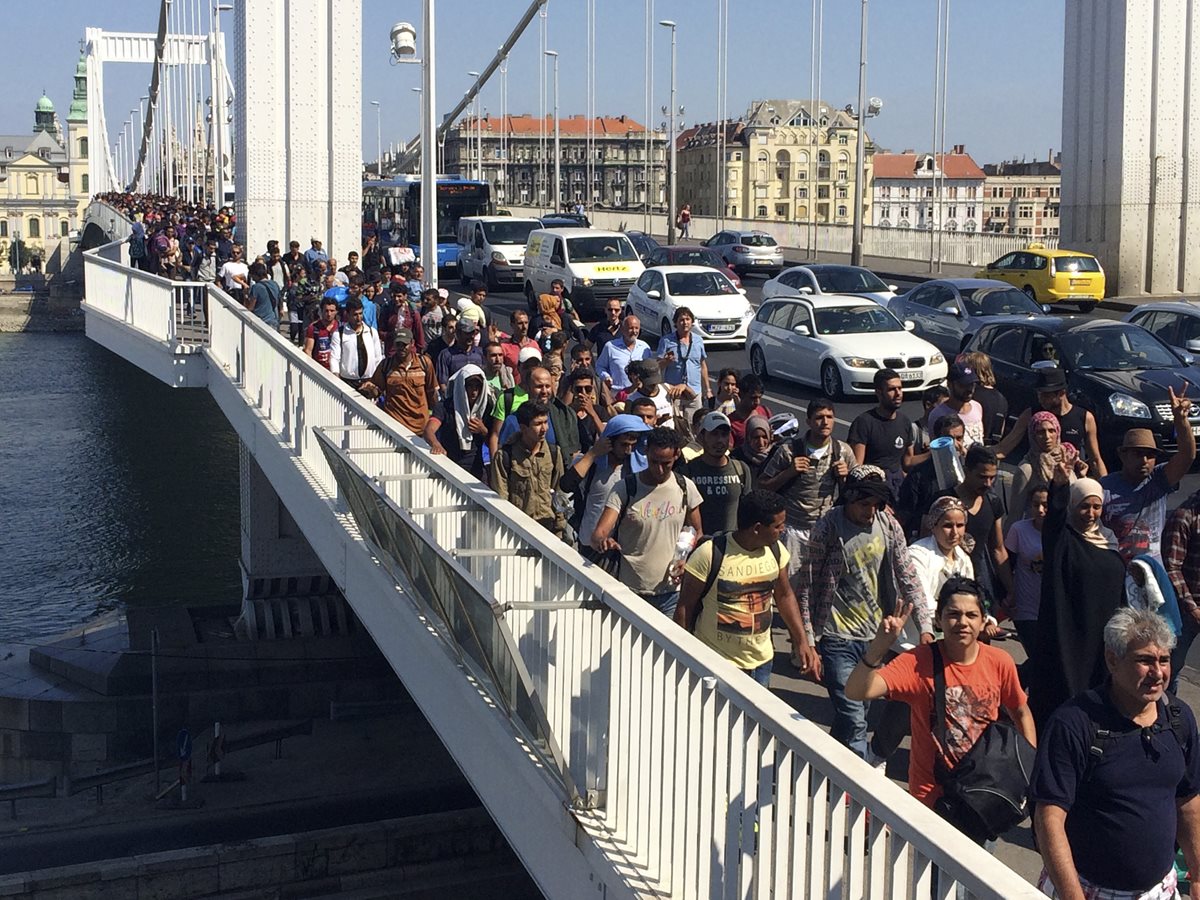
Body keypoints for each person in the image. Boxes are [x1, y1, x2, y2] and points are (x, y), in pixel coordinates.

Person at [1031, 607, 1200, 900]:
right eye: (1144, 660)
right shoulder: (1075, 722)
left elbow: (1188, 801)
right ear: (1112, 659)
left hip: (1159, 890)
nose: (1157, 673)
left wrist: (1198, 876)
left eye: (1164, 660)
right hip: (1088, 891)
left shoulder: (1179, 718)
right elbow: (1049, 818)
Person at [845, 577, 1034, 829]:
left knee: (975, 867)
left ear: (982, 621)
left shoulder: (1000, 661)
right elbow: (857, 690)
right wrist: (878, 648)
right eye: (953, 614)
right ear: (939, 619)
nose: (963, 622)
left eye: (971, 615)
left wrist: (1028, 771)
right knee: (938, 869)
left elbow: (1020, 711)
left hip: (986, 793)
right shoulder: (918, 662)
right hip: (934, 798)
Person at [794, 465, 934, 757]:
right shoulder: (829, 527)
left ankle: (827, 765)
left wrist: (925, 626)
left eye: (875, 505)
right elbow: (806, 584)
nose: (869, 512)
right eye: (863, 504)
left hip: (875, 639)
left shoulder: (888, 525)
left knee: (854, 714)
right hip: (836, 636)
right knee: (855, 717)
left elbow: (908, 576)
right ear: (850, 499)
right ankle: (861, 786)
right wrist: (807, 639)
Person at [676, 490, 820, 685]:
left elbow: (785, 596)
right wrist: (682, 654)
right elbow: (685, 607)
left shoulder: (777, 551)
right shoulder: (710, 554)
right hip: (717, 663)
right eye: (778, 525)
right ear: (757, 528)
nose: (783, 530)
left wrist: (802, 641)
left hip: (762, 663)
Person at [1029, 466, 1127, 725]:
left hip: (1101, 637)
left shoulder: (1107, 540)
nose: (1091, 513)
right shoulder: (1062, 539)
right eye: (1084, 506)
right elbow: (1055, 518)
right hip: (1068, 635)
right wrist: (1060, 486)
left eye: (1096, 507)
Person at [591, 427, 704, 617]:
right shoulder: (626, 487)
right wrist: (604, 541)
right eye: (654, 462)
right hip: (630, 591)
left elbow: (697, 531)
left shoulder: (686, 487)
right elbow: (599, 533)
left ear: (677, 455)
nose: (659, 469)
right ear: (646, 452)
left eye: (666, 463)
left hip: (670, 594)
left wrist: (688, 559)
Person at [758, 399, 855, 578]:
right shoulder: (788, 451)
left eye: (829, 417)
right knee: (790, 583)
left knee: (824, 584)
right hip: (793, 530)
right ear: (808, 421)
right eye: (819, 417)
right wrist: (789, 472)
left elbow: (855, 497)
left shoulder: (843, 451)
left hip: (826, 529)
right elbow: (762, 487)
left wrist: (845, 478)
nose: (825, 422)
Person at [1101, 390, 1196, 565]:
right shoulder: (1105, 487)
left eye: (1150, 455)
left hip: (1152, 567)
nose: (1144, 461)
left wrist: (1181, 421)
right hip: (1116, 566)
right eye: (1137, 454)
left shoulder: (1158, 480)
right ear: (1122, 455)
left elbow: (1187, 456)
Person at [563, 414, 650, 560]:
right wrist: (593, 454)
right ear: (609, 441)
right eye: (623, 445)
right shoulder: (589, 463)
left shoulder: (637, 468)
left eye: (632, 445)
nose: (628, 450)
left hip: (622, 547)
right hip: (589, 546)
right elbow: (566, 485)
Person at [996, 366, 1106, 476]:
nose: (1040, 399)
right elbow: (1004, 448)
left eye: (1045, 395)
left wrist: (1106, 490)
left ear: (1061, 393)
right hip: (1039, 477)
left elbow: (1095, 460)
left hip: (1070, 479)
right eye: (1039, 394)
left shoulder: (1085, 417)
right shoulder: (1031, 414)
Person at [940, 445, 1010, 612]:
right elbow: (927, 543)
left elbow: (998, 549)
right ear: (967, 470)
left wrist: (1011, 590)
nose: (988, 483)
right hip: (947, 582)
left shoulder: (993, 502)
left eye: (992, 478)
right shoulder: (944, 501)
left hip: (981, 585)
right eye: (982, 477)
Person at [490, 400, 568, 539]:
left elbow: (559, 492)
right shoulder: (506, 456)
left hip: (548, 528)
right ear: (523, 428)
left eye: (545, 422)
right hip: (519, 530)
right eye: (538, 424)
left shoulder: (554, 453)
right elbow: (501, 496)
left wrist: (560, 528)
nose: (544, 428)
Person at [906, 497, 976, 642]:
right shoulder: (916, 555)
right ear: (934, 525)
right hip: (915, 641)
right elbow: (922, 601)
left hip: (952, 637)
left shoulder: (964, 558)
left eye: (960, 525)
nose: (955, 532)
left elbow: (970, 597)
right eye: (948, 526)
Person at [1008, 410, 1089, 525]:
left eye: (1051, 431)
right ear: (1033, 435)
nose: (1047, 437)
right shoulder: (1027, 469)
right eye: (1040, 432)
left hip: (1066, 531)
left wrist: (1081, 476)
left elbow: (1075, 500)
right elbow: (1015, 514)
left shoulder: (1066, 458)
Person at [679, 412, 752, 536]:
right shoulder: (687, 471)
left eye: (724, 435)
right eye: (714, 434)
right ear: (702, 436)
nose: (719, 440)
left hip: (731, 547)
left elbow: (749, 510)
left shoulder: (741, 469)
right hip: (698, 545)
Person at [895, 414, 967, 540]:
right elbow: (907, 513)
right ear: (935, 439)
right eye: (948, 439)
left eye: (959, 438)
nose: (955, 445)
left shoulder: (969, 472)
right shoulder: (918, 475)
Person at [360, 328, 436, 435]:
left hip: (419, 428)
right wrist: (371, 389)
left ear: (412, 343)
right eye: (398, 344)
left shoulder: (425, 363)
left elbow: (432, 393)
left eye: (404, 344)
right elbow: (377, 392)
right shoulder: (386, 365)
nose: (401, 348)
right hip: (394, 426)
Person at [847, 369, 913, 493]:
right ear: (879, 393)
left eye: (900, 388)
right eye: (892, 389)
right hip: (874, 488)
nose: (898, 393)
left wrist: (934, 454)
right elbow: (857, 469)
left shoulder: (905, 421)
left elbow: (908, 462)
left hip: (898, 487)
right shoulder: (864, 422)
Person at [424, 365, 495, 479]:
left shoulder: (486, 408)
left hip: (476, 467)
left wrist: (483, 430)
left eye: (478, 386)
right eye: (470, 386)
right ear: (461, 387)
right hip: (449, 464)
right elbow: (429, 430)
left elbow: (493, 439)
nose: (474, 391)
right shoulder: (446, 406)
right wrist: (436, 444)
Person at [1165, 486, 1200, 689]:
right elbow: (1172, 567)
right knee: (1172, 668)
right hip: (1187, 610)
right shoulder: (1184, 516)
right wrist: (1192, 608)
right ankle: (1170, 715)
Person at [657, 307, 712, 430]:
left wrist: (707, 389)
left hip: (694, 391)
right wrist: (666, 361)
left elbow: (702, 365)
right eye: (681, 320)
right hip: (674, 392)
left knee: (695, 426)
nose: (685, 322)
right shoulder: (666, 341)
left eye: (687, 319)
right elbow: (657, 366)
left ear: (692, 322)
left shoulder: (698, 340)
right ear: (676, 323)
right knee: (675, 426)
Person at [329, 297, 384, 390]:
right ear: (347, 314)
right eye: (355, 315)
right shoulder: (339, 334)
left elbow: (378, 358)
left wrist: (376, 380)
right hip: (348, 382)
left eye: (360, 314)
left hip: (369, 382)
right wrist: (336, 377)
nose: (359, 318)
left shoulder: (372, 332)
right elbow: (335, 358)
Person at [928, 362, 986, 449]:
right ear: (950, 384)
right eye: (963, 385)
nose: (970, 389)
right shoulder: (938, 415)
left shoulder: (977, 407)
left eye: (972, 384)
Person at [959, 350, 1008, 445]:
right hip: (992, 449)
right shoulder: (1002, 399)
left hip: (972, 447)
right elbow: (1000, 431)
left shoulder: (971, 395)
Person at [435, 316, 484, 392]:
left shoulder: (480, 353)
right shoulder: (446, 355)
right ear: (457, 333)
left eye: (472, 333)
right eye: (467, 333)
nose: (471, 336)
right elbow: (443, 384)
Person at [908, 384, 950, 468]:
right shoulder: (915, 429)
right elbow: (908, 462)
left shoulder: (949, 429)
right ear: (928, 405)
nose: (946, 410)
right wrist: (934, 452)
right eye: (942, 406)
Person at [728, 373, 772, 447]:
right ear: (741, 395)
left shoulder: (765, 411)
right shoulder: (731, 423)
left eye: (759, 397)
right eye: (753, 398)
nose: (757, 402)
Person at [732, 413, 774, 482]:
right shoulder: (736, 457)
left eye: (764, 437)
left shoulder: (776, 455)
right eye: (756, 437)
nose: (761, 442)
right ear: (748, 437)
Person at [500, 309, 538, 381]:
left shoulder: (534, 344)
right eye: (520, 323)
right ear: (512, 325)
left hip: (532, 388)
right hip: (514, 388)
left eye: (526, 323)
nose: (524, 327)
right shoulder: (504, 347)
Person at [303, 297, 339, 370]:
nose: (329, 314)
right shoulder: (313, 328)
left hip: (336, 369)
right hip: (319, 369)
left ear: (336, 312)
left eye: (332, 311)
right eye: (326, 311)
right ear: (321, 311)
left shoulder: (340, 327)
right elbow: (308, 350)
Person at [246, 261, 281, 329]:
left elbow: (250, 307)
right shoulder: (274, 284)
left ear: (255, 274)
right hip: (273, 320)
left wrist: (245, 296)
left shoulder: (256, 287)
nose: (252, 278)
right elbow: (279, 301)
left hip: (261, 321)